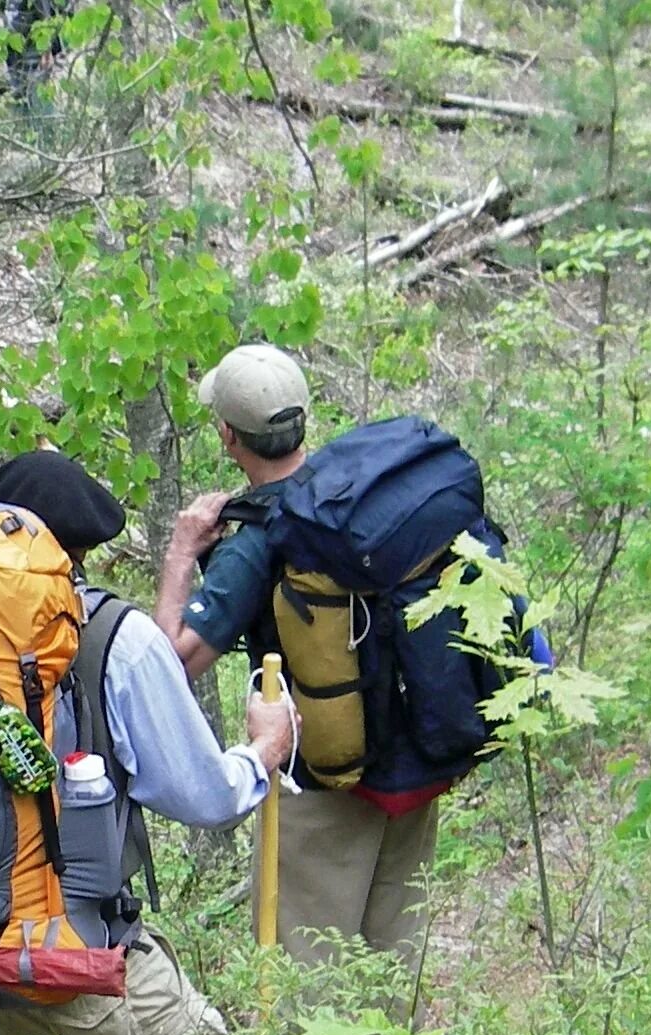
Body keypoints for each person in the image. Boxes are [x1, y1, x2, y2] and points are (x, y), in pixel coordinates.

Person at [0, 451, 295, 1035]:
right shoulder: (110, 636)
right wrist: (261, 753)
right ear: (86, 547)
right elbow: (205, 796)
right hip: (71, 951)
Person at [155, 344, 446, 980]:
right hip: (412, 763)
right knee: (392, 975)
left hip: (321, 788)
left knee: (304, 985)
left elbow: (166, 667)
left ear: (229, 435)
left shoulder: (260, 537)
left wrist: (182, 554)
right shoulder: (363, 494)